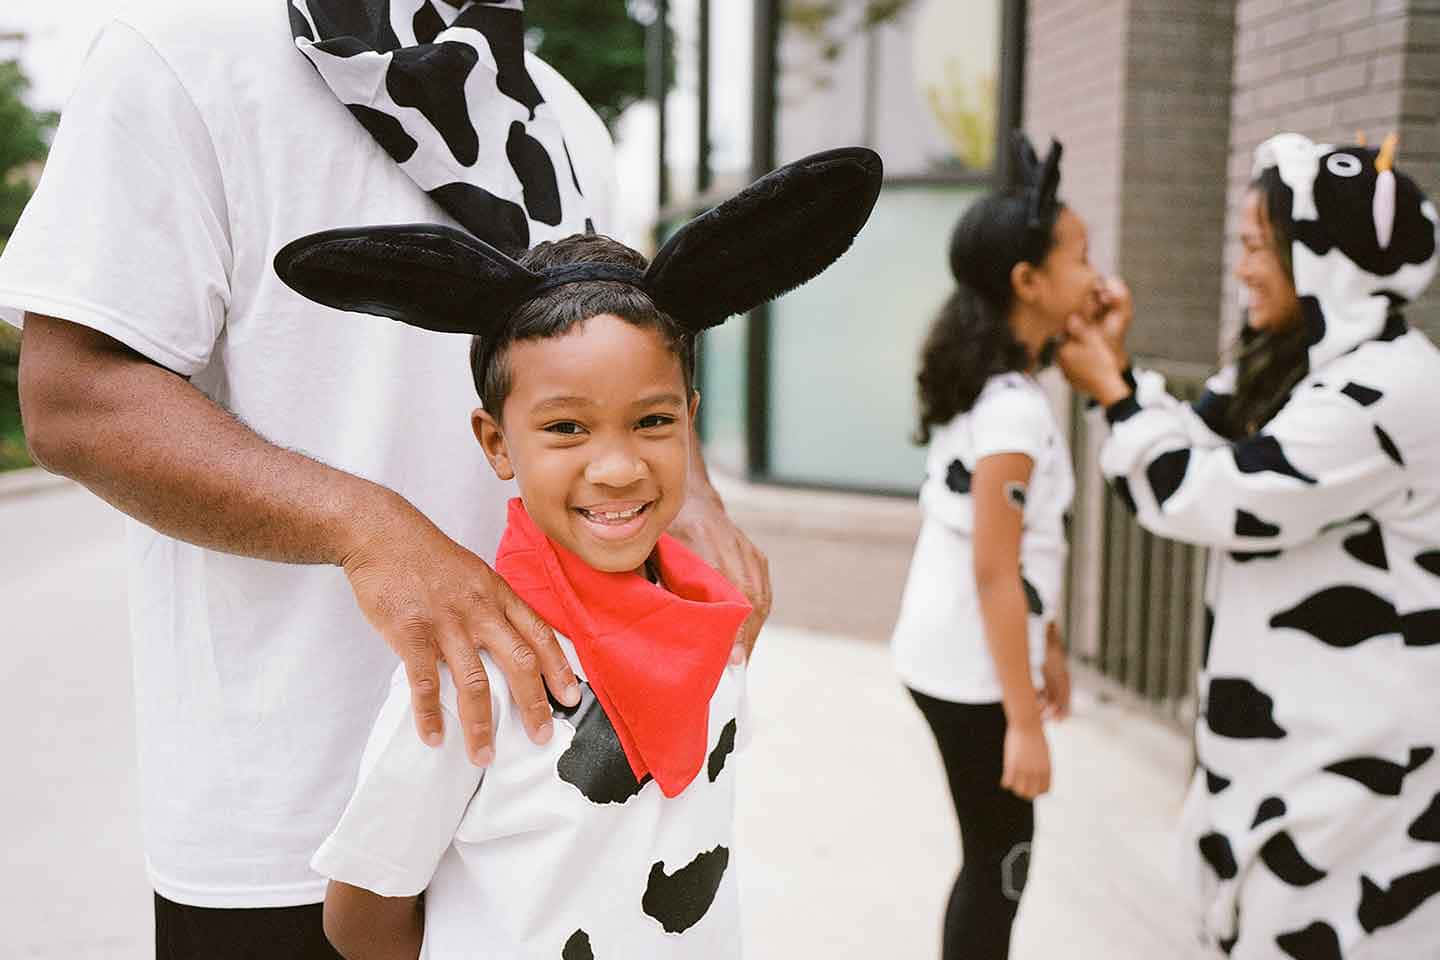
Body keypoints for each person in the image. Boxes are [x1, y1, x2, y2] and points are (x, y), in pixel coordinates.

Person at [0, 2, 770, 956]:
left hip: (551, 818)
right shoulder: (183, 55)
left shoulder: (558, 112)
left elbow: (619, 356)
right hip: (286, 820)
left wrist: (689, 489)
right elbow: (75, 397)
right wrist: (370, 529)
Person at [268, 148, 883, 958]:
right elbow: (363, 914)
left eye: (652, 421)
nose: (619, 466)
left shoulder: (720, 616)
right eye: (565, 428)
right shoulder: (477, 671)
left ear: (691, 418)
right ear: (497, 441)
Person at [1059, 132, 1440, 956]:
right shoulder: (1301, 365)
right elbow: (1192, 447)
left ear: (1322, 257)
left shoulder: (1387, 389)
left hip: (1358, 759)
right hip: (1280, 747)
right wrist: (1118, 380)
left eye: (1256, 246)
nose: (1240, 268)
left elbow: (1210, 496)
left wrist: (1114, 395)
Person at [889, 135, 1120, 960]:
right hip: (970, 669)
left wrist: (1046, 640)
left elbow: (1017, 556)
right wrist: (1024, 720)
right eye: (1083, 258)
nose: (1097, 277)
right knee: (1001, 861)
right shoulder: (1015, 412)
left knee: (992, 855)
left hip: (954, 653)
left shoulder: (992, 385)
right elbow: (996, 568)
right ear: (1028, 282)